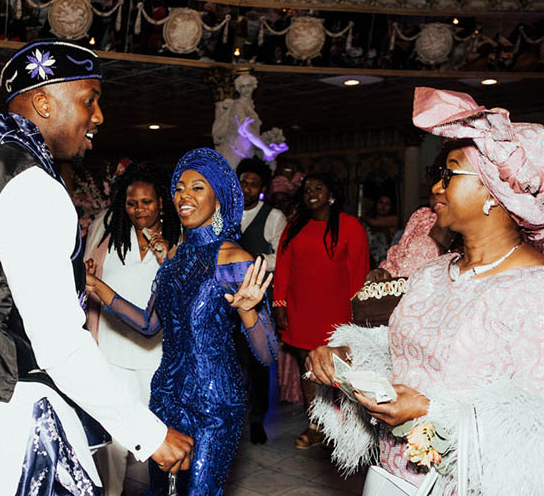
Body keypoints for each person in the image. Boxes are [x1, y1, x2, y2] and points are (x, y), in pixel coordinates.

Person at [0, 40, 193, 496]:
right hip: (1, 410)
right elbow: (59, 344)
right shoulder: (33, 186)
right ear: (43, 103)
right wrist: (148, 434)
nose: (98, 117)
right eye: (89, 100)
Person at [306, 87, 544, 494]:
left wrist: (433, 413)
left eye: (451, 174)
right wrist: (351, 358)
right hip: (394, 476)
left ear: (494, 194)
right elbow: (406, 355)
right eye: (438, 175)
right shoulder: (432, 273)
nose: (437, 188)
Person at [85, 147, 278, 495]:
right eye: (178, 188)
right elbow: (148, 324)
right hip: (166, 398)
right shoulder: (173, 258)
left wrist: (249, 309)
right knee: (163, 491)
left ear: (218, 197)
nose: (183, 196)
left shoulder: (236, 260)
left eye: (197, 187)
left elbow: (268, 355)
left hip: (214, 403)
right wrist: (97, 287)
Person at [83, 161, 181, 496]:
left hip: (157, 358)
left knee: (159, 435)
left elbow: (180, 296)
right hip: (111, 354)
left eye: (147, 202)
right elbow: (87, 286)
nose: (139, 209)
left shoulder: (176, 242)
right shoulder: (109, 237)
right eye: (131, 202)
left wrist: (166, 256)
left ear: (161, 202)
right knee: (113, 442)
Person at [272, 172, 369, 449]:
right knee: (310, 371)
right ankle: (316, 424)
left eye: (318, 187)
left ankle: (348, 425)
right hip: (302, 310)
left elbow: (358, 273)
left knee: (340, 372)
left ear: (331, 194)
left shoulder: (350, 226)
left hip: (339, 313)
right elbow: (283, 268)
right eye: (307, 189)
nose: (311, 193)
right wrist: (280, 303)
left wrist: (357, 315)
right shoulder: (293, 227)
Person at [235, 157, 288, 444]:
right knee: (230, 358)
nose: (247, 189)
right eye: (244, 182)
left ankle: (257, 420)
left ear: (262, 188)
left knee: (257, 359)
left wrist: (251, 262)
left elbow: (281, 258)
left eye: (253, 184)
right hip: (227, 299)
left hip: (257, 299)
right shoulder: (225, 211)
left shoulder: (273, 216)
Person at [212, 73, 288, 169]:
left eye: (248, 85)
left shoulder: (250, 106)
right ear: (238, 89)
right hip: (235, 149)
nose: (246, 89)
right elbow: (247, 130)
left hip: (246, 148)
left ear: (254, 86)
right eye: (243, 86)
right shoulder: (238, 105)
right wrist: (265, 148)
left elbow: (252, 132)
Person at [363, 193, 402, 269]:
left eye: (387, 204)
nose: (383, 206)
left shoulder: (394, 219)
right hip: (368, 261)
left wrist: (362, 216)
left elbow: (374, 223)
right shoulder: (367, 223)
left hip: (385, 262)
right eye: (381, 202)